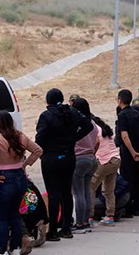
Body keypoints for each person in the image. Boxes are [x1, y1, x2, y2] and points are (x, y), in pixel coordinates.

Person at [0, 111, 42, 255]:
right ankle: (15, 249)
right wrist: (25, 164)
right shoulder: (19, 136)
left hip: (3, 178)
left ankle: (1, 251)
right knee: (15, 214)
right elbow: (37, 150)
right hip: (20, 177)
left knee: (2, 217)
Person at [36, 88, 92, 240]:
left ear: (48, 101)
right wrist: (74, 138)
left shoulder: (46, 116)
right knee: (67, 192)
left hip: (51, 157)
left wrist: (44, 147)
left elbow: (40, 137)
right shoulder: (72, 113)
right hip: (68, 156)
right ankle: (66, 228)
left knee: (53, 193)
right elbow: (88, 125)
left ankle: (53, 230)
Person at [116, 89, 139, 217]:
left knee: (127, 179)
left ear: (120, 100)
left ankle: (128, 209)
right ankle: (136, 207)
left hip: (128, 152)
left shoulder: (122, 115)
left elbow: (124, 135)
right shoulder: (137, 113)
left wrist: (133, 152)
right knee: (137, 178)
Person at [72, 98, 99, 231]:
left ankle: (79, 223)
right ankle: (87, 221)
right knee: (87, 190)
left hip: (79, 159)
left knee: (78, 193)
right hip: (92, 158)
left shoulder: (77, 124)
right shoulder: (93, 123)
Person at [91, 116, 121, 225]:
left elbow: (96, 143)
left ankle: (89, 217)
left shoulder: (95, 130)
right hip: (115, 159)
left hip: (104, 161)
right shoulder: (104, 129)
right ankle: (110, 216)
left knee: (91, 187)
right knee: (109, 189)